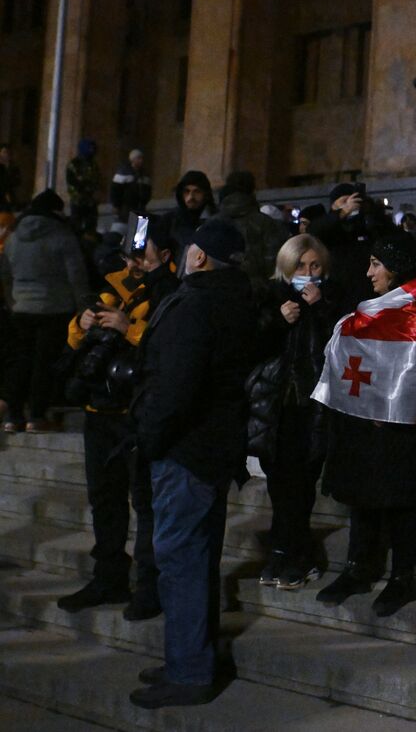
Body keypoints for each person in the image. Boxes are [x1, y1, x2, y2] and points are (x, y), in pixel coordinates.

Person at [129, 220, 257, 709]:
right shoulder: (235, 300)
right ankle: (190, 656)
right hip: (213, 449)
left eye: (188, 251)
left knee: (181, 562)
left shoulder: (195, 304)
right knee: (196, 561)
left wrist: (149, 437)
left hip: (185, 450)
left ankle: (189, 671)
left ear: (199, 257)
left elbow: (175, 388)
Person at [314, 232, 416, 618]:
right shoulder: (377, 308)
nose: (369, 272)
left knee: (401, 499)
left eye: (376, 264)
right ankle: (358, 567)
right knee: (361, 493)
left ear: (396, 267)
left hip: (400, 425)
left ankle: (402, 576)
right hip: (362, 416)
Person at [56, 218, 179, 621]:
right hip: (99, 412)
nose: (134, 263)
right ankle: (108, 576)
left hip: (138, 413)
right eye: (130, 254)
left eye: (142, 255)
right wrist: (83, 324)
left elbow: (170, 346)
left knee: (145, 504)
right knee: (104, 500)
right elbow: (75, 343)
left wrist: (129, 328)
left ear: (165, 255)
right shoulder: (111, 285)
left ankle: (148, 585)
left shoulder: (172, 290)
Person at [251, 234, 345, 590]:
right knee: (280, 483)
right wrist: (278, 320)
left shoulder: (332, 299)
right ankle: (285, 551)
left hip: (312, 406)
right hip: (275, 406)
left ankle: (293, 554)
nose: (307, 272)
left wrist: (320, 309)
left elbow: (339, 344)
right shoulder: (270, 298)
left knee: (302, 483)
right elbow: (253, 344)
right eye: (300, 266)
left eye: (314, 265)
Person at [0, 190, 88, 433]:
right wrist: (83, 308)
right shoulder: (62, 234)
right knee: (43, 363)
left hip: (20, 309)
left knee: (21, 362)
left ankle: (14, 416)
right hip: (54, 309)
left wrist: (12, 302)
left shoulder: (14, 236)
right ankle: (37, 416)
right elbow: (76, 275)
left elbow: (5, 274)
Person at [310, 182, 393, 307]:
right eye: (343, 201)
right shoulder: (328, 225)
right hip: (338, 290)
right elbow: (314, 231)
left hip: (366, 289)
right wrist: (344, 212)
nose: (350, 205)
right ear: (333, 205)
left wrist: (370, 209)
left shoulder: (364, 222)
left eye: (353, 201)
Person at [216, 171, 290, 282]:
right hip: (259, 293)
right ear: (253, 191)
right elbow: (277, 266)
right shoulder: (269, 225)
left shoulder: (211, 225)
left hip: (218, 292)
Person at [160, 170, 216, 257]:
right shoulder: (169, 220)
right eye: (187, 192)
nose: (191, 197)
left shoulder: (215, 220)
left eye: (197, 192)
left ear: (205, 194)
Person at [66, 138, 102, 235]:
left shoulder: (93, 165)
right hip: (78, 201)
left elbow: (97, 180)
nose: (92, 151)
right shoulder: (74, 164)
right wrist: (83, 192)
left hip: (91, 202)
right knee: (76, 227)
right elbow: (72, 182)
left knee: (91, 227)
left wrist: (95, 193)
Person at [110, 149, 153, 221]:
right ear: (132, 159)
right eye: (138, 158)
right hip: (126, 208)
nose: (141, 161)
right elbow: (115, 190)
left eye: (142, 158)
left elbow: (148, 191)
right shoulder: (123, 173)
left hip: (141, 208)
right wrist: (116, 205)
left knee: (140, 229)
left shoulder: (144, 175)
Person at [0, 143, 21, 210]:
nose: (6, 155)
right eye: (4, 152)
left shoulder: (14, 168)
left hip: (10, 197)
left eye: (8, 153)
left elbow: (18, 181)